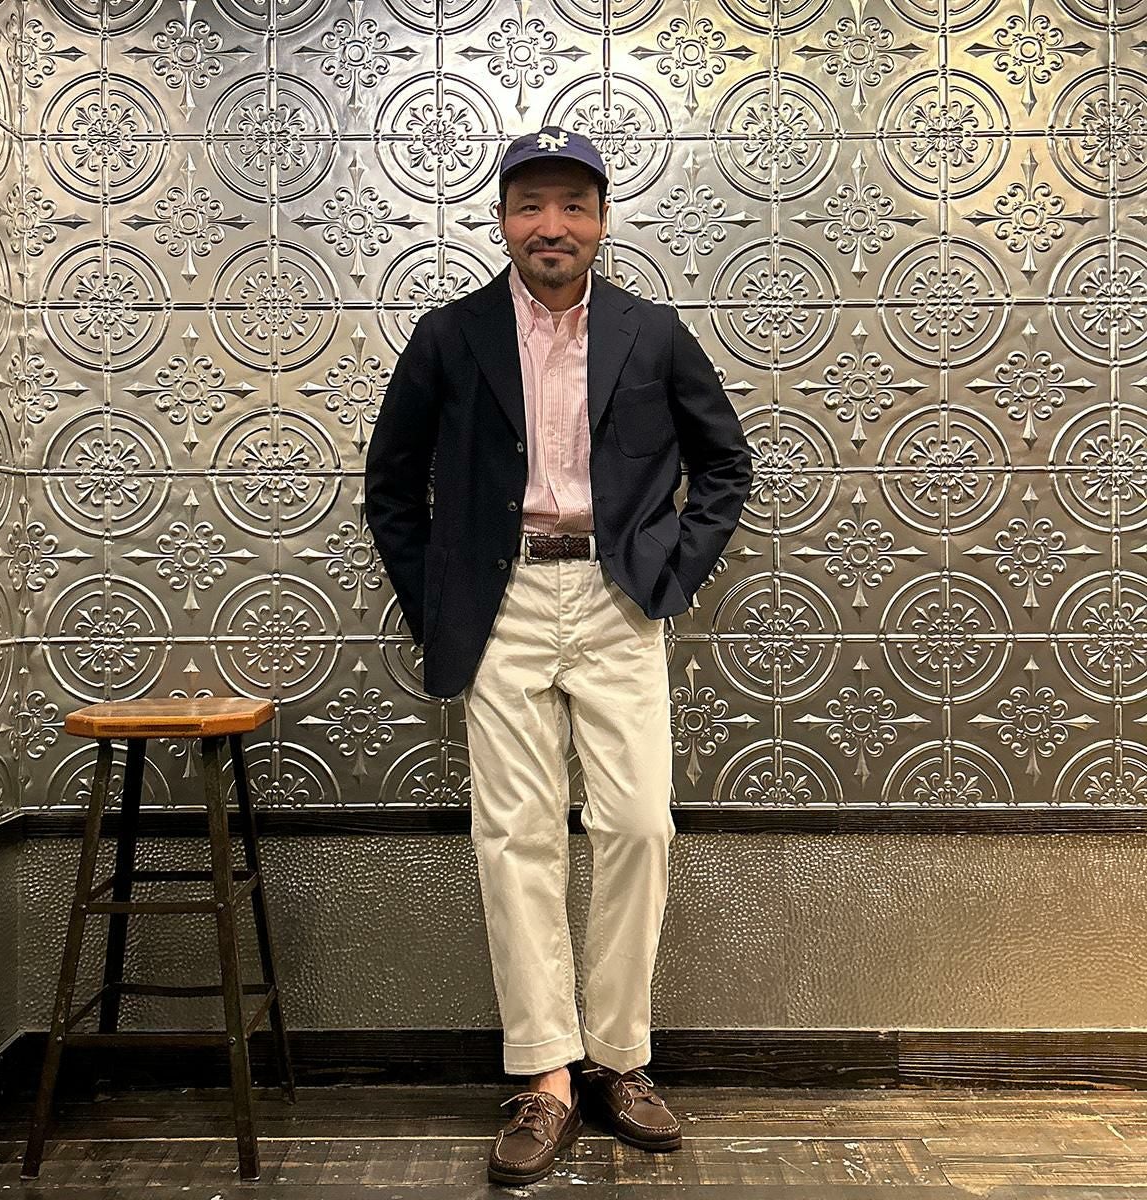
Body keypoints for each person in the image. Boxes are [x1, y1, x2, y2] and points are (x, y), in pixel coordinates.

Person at [364, 125, 754, 1186]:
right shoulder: (449, 336)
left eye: (573, 206)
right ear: (501, 220)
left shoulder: (653, 332)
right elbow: (391, 489)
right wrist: (443, 603)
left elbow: (725, 464)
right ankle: (545, 1073)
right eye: (530, 205)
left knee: (637, 826)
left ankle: (620, 1059)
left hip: (619, 602)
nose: (552, 225)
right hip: (502, 606)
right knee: (516, 837)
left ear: (602, 221)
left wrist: (672, 573)